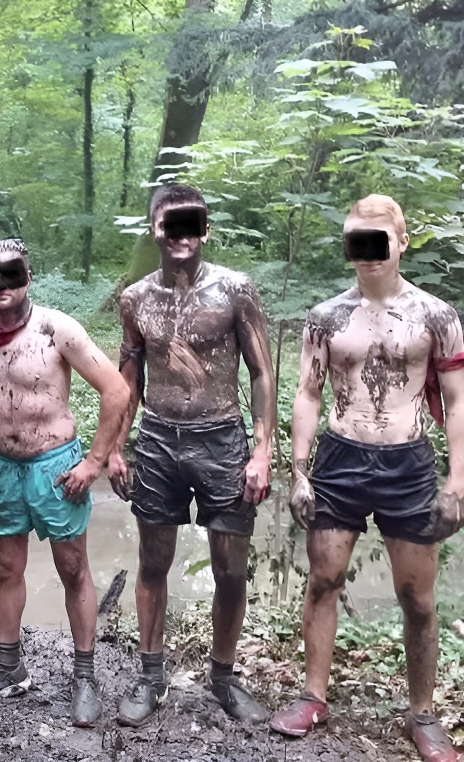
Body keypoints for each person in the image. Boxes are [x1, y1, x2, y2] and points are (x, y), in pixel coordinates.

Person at [269, 195, 464, 762]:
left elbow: (458, 401)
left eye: (377, 240)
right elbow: (307, 393)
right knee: (323, 580)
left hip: (406, 463)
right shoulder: (327, 317)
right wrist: (300, 470)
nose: (366, 253)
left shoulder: (436, 316)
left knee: (417, 596)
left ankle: (422, 713)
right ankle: (313, 696)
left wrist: (457, 482)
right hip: (339, 458)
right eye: (355, 241)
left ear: (401, 242)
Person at [108, 183, 277, 727]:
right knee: (153, 562)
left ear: (205, 230)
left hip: (222, 439)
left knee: (230, 571)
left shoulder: (235, 290)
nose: (180, 234)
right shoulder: (136, 298)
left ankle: (224, 677)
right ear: (154, 228)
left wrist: (263, 450)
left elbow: (262, 372)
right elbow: (127, 375)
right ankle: (150, 675)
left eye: (190, 223)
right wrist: (115, 446)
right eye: (169, 222)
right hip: (158, 441)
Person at [0, 239, 130, 728]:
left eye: (12, 275)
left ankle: (85, 675)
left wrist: (93, 463)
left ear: (29, 276)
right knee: (6, 568)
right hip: (0, 468)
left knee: (73, 569)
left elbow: (117, 390)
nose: (2, 285)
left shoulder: (56, 329)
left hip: (56, 467)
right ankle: (10, 670)